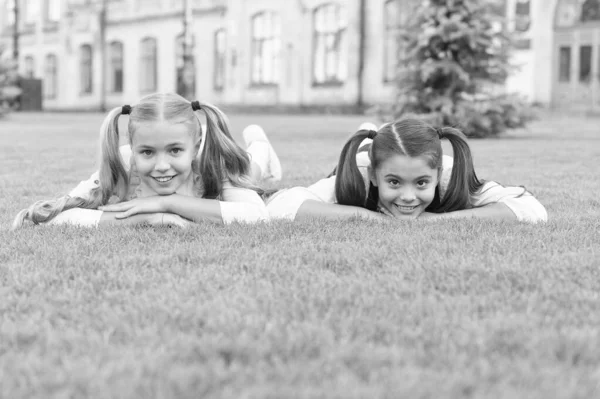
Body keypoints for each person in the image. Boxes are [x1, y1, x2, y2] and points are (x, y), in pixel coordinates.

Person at [12, 93, 280, 229]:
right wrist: (151, 217)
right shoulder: (124, 162)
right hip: (184, 146)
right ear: (134, 148)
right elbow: (60, 216)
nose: (161, 165)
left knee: (250, 171)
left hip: (216, 158)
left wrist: (167, 201)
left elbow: (257, 216)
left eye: (174, 151)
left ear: (194, 146)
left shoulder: (209, 159)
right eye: (148, 153)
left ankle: (259, 145)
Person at [266, 119, 547, 223]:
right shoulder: (360, 176)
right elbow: (280, 206)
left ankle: (375, 130)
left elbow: (532, 210)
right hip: (367, 157)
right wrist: (368, 217)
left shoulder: (449, 175)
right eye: (394, 182)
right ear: (376, 177)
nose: (409, 196)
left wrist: (432, 221)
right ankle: (260, 148)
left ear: (437, 175)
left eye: (422, 183)